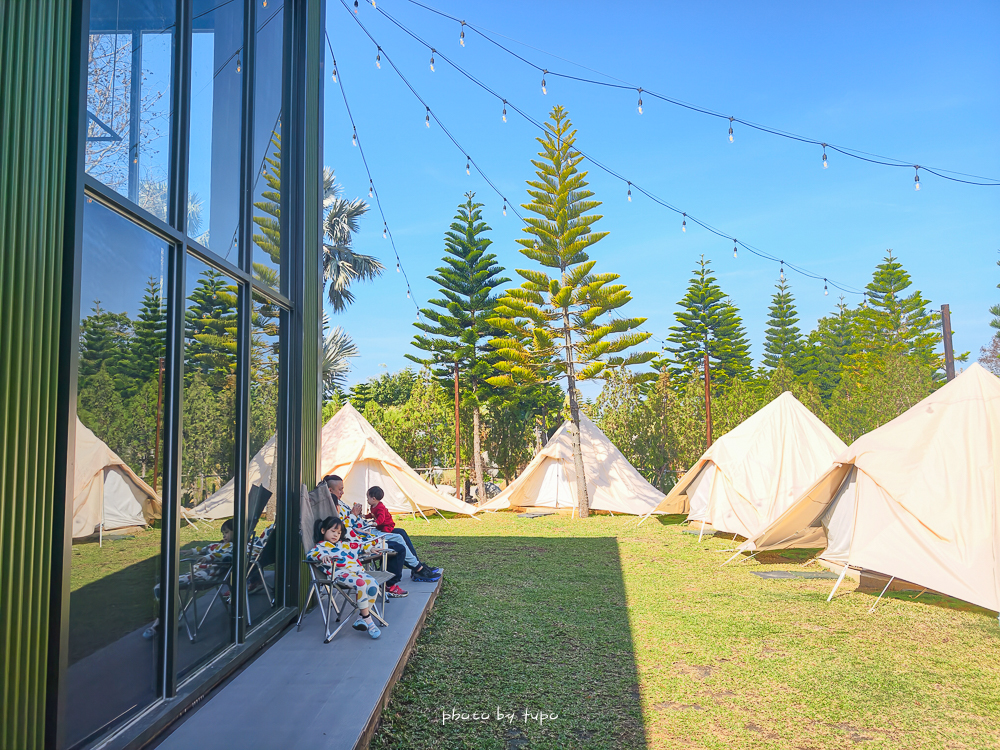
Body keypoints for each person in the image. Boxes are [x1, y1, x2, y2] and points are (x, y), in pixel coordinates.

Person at [143, 518, 235, 639]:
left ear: (236, 532)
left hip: (205, 577)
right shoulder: (217, 545)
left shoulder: (233, 547)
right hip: (194, 575)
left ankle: (164, 622)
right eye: (223, 533)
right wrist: (190, 551)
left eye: (227, 532)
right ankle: (165, 619)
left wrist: (209, 558)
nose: (224, 535)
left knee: (163, 587)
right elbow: (203, 549)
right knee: (160, 587)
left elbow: (226, 556)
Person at [307, 516, 382, 639]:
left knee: (373, 585)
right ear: (323, 531)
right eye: (333, 531)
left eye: (339, 532)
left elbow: (359, 546)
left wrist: (371, 548)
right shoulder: (320, 547)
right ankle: (369, 621)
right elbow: (311, 555)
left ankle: (361, 618)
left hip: (357, 571)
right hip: (340, 574)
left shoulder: (343, 544)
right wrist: (321, 557)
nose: (336, 535)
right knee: (361, 584)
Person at [364, 486, 442, 586]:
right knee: (398, 538)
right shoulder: (338, 505)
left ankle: (417, 566)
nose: (342, 492)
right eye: (340, 489)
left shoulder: (378, 507)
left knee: (401, 532)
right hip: (370, 533)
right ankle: (418, 568)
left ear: (373, 498)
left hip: (378, 528)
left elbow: (380, 518)